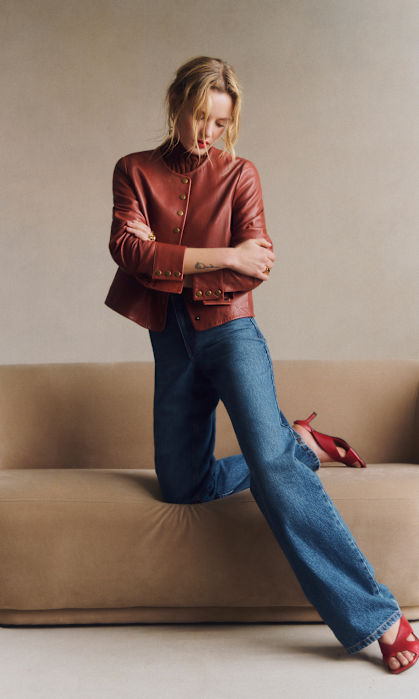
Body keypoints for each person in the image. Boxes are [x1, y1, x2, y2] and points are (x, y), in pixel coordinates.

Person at [104, 55, 418, 674]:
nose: (207, 133)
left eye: (220, 123)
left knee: (272, 470)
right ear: (177, 104)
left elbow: (257, 266)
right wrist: (222, 255)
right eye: (200, 116)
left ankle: (378, 616)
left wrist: (175, 259)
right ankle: (299, 442)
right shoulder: (134, 170)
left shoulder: (240, 175)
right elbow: (129, 251)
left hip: (231, 332)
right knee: (182, 487)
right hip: (171, 340)